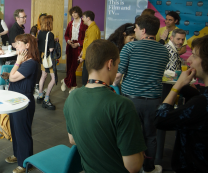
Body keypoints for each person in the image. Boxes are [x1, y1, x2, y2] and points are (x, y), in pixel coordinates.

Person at [64, 39, 146, 173]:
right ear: (110, 64)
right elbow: (133, 166)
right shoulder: (122, 105)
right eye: (118, 64)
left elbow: (72, 139)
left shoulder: (72, 97)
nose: (118, 69)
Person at [112, 14, 169, 173]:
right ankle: (149, 168)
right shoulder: (164, 51)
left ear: (143, 30)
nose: (134, 31)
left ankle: (129, 166)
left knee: (130, 134)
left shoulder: (129, 48)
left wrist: (112, 87)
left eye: (136, 28)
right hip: (154, 101)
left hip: (131, 101)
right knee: (150, 136)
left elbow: (118, 75)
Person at [155, 35, 208, 173]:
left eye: (195, 56)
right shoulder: (201, 97)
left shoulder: (202, 102)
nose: (189, 59)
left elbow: (161, 119)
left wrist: (176, 87)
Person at [2, 34, 39, 173]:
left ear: (27, 45)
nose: (15, 46)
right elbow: (13, 78)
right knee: (16, 130)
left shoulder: (30, 63)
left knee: (22, 132)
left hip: (23, 102)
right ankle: (18, 155)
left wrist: (17, 62)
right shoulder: (25, 61)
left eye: (18, 43)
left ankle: (25, 163)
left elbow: (13, 77)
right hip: (16, 101)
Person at [62, 6, 87, 92]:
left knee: (74, 67)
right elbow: (66, 35)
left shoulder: (84, 24)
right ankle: (73, 85)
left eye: (75, 12)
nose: (74, 14)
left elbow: (86, 38)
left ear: (79, 13)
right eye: (72, 13)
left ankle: (66, 81)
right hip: (70, 46)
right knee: (69, 66)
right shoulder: (70, 23)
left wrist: (78, 44)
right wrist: (68, 41)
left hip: (79, 47)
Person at [36, 15, 56, 110]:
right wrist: (54, 42)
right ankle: (46, 99)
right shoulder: (50, 34)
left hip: (42, 57)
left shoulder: (40, 33)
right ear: (49, 23)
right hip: (49, 58)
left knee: (43, 76)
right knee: (54, 78)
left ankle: (40, 95)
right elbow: (51, 49)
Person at [78, 11, 100, 86]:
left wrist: (83, 57)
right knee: (85, 78)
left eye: (83, 17)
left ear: (88, 18)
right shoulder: (90, 29)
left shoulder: (93, 29)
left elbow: (90, 46)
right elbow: (86, 43)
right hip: (87, 56)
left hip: (89, 58)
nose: (82, 19)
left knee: (86, 79)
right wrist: (82, 52)